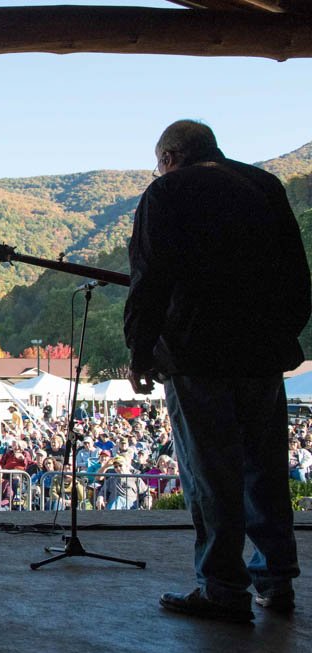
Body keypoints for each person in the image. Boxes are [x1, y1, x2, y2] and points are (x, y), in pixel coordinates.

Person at [125, 120, 309, 623]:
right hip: (262, 355)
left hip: (196, 353)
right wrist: (281, 336)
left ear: (173, 155)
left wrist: (141, 350)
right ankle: (277, 578)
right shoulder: (264, 185)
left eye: (159, 160)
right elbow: (297, 273)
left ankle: (222, 588)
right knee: (264, 469)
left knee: (212, 476)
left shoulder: (167, 192)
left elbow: (150, 278)